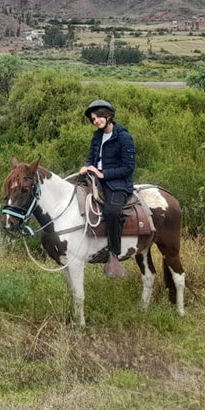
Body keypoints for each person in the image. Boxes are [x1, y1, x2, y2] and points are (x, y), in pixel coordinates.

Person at [79, 99, 135, 278]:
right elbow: (91, 157)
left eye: (99, 117)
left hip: (117, 183)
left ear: (108, 115)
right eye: (93, 119)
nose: (96, 121)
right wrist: (87, 166)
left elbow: (128, 167)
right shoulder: (97, 136)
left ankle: (114, 253)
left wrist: (103, 174)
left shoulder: (123, 136)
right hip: (96, 179)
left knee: (112, 211)